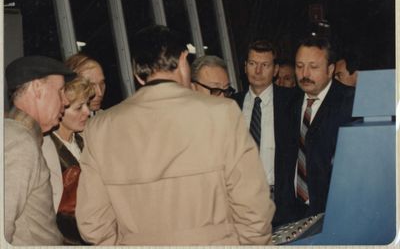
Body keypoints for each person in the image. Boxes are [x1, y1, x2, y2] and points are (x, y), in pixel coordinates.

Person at [75, 25, 275, 245]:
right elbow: (253, 209)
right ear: (182, 60)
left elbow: (93, 223)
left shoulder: (100, 128)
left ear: (138, 75)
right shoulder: (223, 114)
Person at [275, 37, 355, 225]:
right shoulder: (287, 105)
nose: (305, 74)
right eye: (300, 66)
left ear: (330, 69)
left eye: (313, 67)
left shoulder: (350, 103)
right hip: (291, 215)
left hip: (336, 213)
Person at [4, 55, 75, 245]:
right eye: (60, 91)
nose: (66, 101)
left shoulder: (20, 136)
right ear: (37, 88)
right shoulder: (19, 142)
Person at [231, 40, 297, 201]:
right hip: (240, 197)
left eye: (265, 65)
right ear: (245, 66)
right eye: (253, 63)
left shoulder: (292, 101)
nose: (258, 71)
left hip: (279, 197)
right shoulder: (232, 104)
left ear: (275, 70)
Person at [42, 76, 94, 245]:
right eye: (79, 107)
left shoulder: (85, 139)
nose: (87, 111)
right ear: (60, 110)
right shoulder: (45, 150)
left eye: (87, 104)